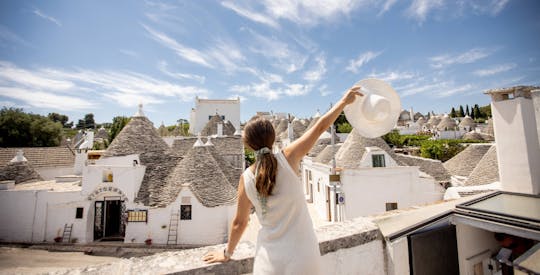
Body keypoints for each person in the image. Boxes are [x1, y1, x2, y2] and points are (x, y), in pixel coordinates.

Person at [203, 86, 363, 274]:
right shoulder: (289, 158)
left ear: (247, 145)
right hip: (304, 257)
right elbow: (320, 127)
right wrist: (344, 101)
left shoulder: (245, 178)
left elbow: (240, 222)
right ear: (273, 137)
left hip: (268, 262)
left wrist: (227, 253)